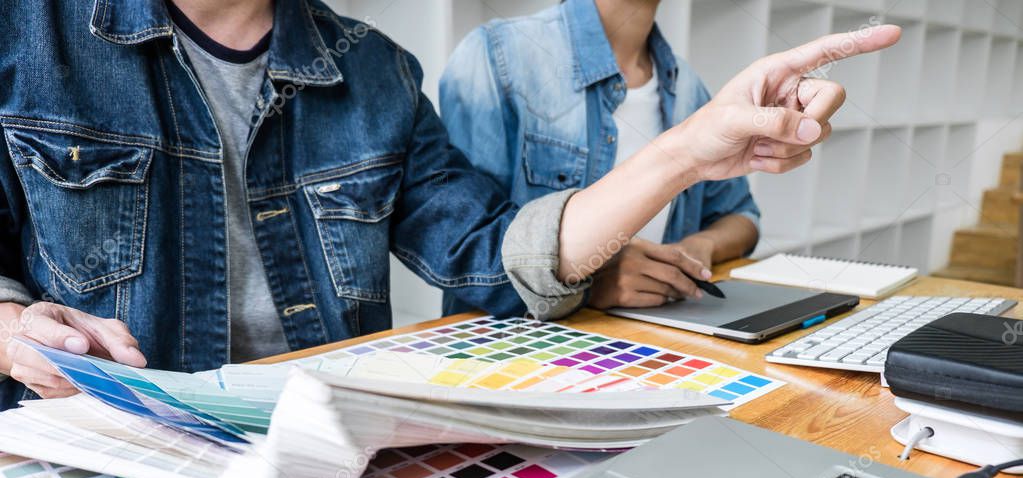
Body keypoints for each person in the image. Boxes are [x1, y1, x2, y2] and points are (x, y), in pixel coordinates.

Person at [0, 0, 899, 407]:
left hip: (314, 444)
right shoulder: (24, 32)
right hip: (95, 453)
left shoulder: (375, 70)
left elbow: (490, 255)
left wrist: (679, 153)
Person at [441, 0, 769, 312]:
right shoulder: (497, 55)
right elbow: (467, 246)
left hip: (647, 342)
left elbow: (742, 216)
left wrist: (700, 247)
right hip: (522, 351)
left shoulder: (687, 88)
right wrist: (586, 284)